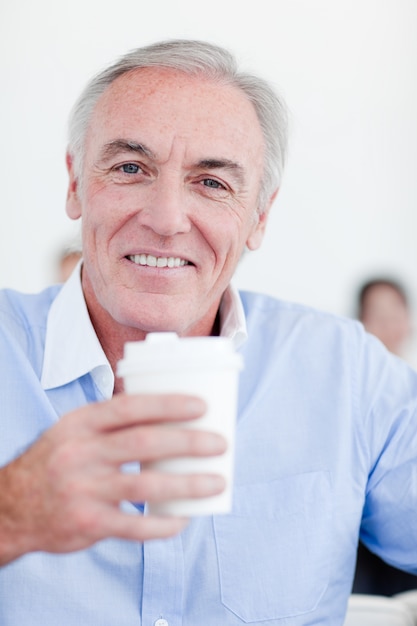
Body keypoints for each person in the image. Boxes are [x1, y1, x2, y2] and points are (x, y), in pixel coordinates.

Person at [1, 39, 417, 626]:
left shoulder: (347, 373)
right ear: (74, 184)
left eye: (212, 183)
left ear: (259, 218)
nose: (166, 219)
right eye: (129, 168)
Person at [352, 276, 417, 596]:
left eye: (395, 315)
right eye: (378, 316)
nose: (388, 326)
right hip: (366, 548)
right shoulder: (352, 393)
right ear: (361, 323)